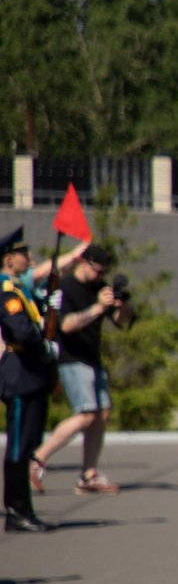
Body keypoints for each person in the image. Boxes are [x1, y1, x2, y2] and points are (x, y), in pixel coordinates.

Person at [34, 244, 133, 495]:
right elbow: (66, 326)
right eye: (98, 272)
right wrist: (98, 308)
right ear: (84, 263)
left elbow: (124, 323)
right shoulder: (65, 288)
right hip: (71, 357)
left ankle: (89, 475)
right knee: (86, 414)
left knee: (102, 414)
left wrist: (121, 305)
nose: (101, 277)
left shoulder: (99, 288)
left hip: (92, 358)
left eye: (104, 273)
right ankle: (36, 459)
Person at [1, 228, 57, 531]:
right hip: (20, 372)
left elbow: (36, 320)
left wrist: (51, 303)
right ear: (9, 259)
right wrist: (45, 346)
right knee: (19, 446)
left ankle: (24, 510)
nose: (30, 259)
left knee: (29, 442)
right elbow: (22, 331)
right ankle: (15, 510)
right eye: (24, 254)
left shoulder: (20, 289)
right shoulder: (6, 291)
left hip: (32, 372)